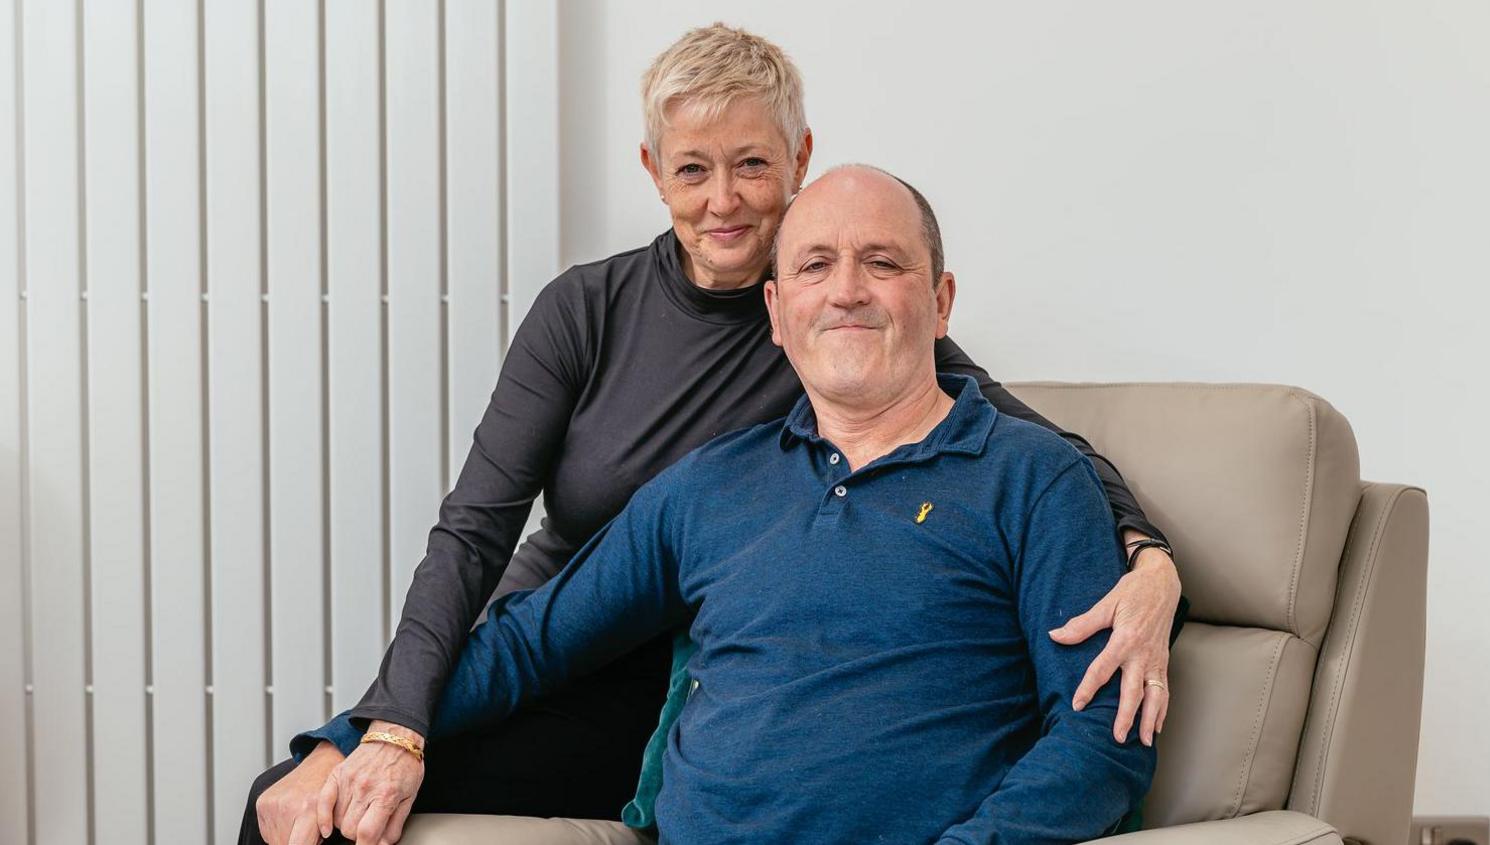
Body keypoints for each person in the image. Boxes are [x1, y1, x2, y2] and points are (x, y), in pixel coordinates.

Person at [245, 24, 1181, 845]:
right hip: (582, 649)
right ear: (655, 171)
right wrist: (376, 729)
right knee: (293, 798)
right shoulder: (615, 347)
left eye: (753, 164)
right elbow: (477, 539)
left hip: (688, 683)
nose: (724, 199)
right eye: (693, 167)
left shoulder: (937, 396)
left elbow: (1046, 460)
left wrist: (1149, 557)